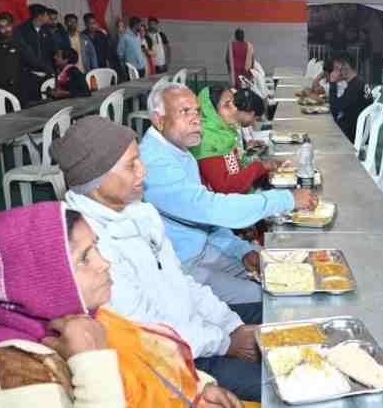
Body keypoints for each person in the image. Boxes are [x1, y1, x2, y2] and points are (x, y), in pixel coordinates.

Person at [0, 201, 246, 408]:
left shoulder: (83, 316)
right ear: (41, 281)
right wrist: (91, 361)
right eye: (84, 258)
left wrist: (198, 390)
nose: (104, 263)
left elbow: (147, 361)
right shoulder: (13, 372)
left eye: (96, 248)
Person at [52, 116, 263, 401]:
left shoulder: (140, 212)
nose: (143, 171)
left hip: (196, 332)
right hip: (173, 359)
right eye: (131, 165)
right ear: (96, 182)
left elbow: (183, 282)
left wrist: (231, 325)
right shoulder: (89, 245)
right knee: (279, 381)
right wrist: (226, 343)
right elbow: (146, 332)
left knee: (279, 316)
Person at [138, 83, 318, 305]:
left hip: (206, 249)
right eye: (185, 112)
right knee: (268, 300)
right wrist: (286, 199)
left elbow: (205, 222)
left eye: (197, 112)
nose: (196, 120)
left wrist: (240, 251)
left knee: (280, 272)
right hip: (182, 267)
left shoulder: (178, 148)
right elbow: (210, 208)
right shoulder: (154, 163)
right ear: (159, 120)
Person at [194, 88, 280, 194]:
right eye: (227, 105)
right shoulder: (206, 141)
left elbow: (237, 167)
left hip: (240, 195)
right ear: (211, 111)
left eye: (233, 103)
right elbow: (225, 189)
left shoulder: (225, 134)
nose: (235, 109)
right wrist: (260, 167)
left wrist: (262, 170)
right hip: (228, 201)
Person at [330, 53, 373, 143]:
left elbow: (334, 109)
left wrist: (333, 83)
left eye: (337, 69)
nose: (334, 72)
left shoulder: (354, 87)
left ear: (346, 67)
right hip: (360, 128)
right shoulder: (359, 82)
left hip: (353, 132)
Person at [13, 4, 55, 74]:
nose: (48, 17)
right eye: (47, 15)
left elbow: (52, 49)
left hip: (47, 70)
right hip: (28, 71)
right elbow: (25, 53)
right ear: (40, 16)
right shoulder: (21, 30)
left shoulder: (47, 30)